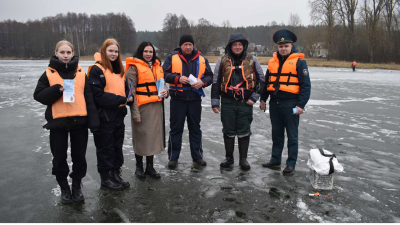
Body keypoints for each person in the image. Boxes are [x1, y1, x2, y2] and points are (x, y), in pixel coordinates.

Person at [33, 40, 100, 204]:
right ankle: (64, 187)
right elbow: (38, 95)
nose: (65, 55)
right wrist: (56, 90)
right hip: (58, 123)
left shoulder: (80, 72)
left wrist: (93, 121)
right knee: (59, 157)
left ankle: (76, 186)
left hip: (79, 122)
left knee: (79, 156)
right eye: (62, 52)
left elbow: (89, 98)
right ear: (56, 53)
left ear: (72, 54)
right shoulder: (48, 73)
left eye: (68, 53)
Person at [259, 29, 311, 174]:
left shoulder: (300, 63)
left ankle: (291, 163)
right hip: (274, 104)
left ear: (291, 46)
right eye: (280, 46)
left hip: (291, 104)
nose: (283, 49)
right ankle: (275, 160)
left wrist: (301, 105)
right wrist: (263, 99)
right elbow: (267, 82)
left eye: (286, 46)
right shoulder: (272, 62)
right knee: (277, 134)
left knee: (292, 135)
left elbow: (306, 86)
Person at [211, 33, 265, 170]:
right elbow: (216, 81)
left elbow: (262, 81)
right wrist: (215, 101)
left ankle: (243, 160)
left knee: (244, 130)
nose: (237, 47)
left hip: (245, 103)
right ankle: (229, 158)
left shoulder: (253, 60)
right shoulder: (222, 61)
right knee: (228, 130)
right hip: (227, 102)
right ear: (230, 46)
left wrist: (254, 97)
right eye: (234, 44)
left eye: (240, 44)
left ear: (244, 46)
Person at [163, 34, 213, 168]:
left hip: (194, 99)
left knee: (195, 129)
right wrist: (177, 79)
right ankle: (173, 157)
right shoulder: (171, 58)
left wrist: (202, 82)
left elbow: (210, 76)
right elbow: (164, 73)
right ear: (181, 45)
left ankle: (197, 157)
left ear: (193, 45)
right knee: (176, 128)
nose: (188, 46)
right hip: (177, 99)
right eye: (185, 44)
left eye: (190, 44)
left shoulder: (202, 59)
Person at [88, 38, 131, 190]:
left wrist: (128, 97)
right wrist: (122, 99)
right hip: (104, 116)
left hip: (119, 114)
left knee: (117, 146)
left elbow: (123, 89)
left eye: (116, 51)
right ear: (104, 52)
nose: (113, 54)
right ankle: (105, 178)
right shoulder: (96, 70)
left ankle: (115, 174)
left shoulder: (119, 70)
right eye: (110, 51)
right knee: (105, 148)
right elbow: (98, 96)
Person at [125, 42, 168, 179]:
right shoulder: (133, 69)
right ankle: (139, 167)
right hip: (142, 108)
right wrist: (135, 112)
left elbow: (163, 83)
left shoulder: (157, 66)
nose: (148, 54)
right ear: (140, 52)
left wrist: (166, 91)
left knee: (152, 139)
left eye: (150, 52)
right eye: (146, 51)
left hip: (156, 108)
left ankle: (150, 166)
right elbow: (131, 93)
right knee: (141, 138)